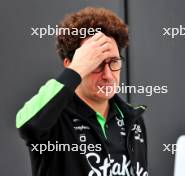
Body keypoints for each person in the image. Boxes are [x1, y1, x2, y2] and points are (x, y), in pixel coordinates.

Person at [16, 7, 148, 176]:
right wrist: (76, 69)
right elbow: (28, 125)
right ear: (71, 64)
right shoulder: (53, 118)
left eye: (113, 62)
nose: (108, 75)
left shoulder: (132, 118)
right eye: (97, 63)